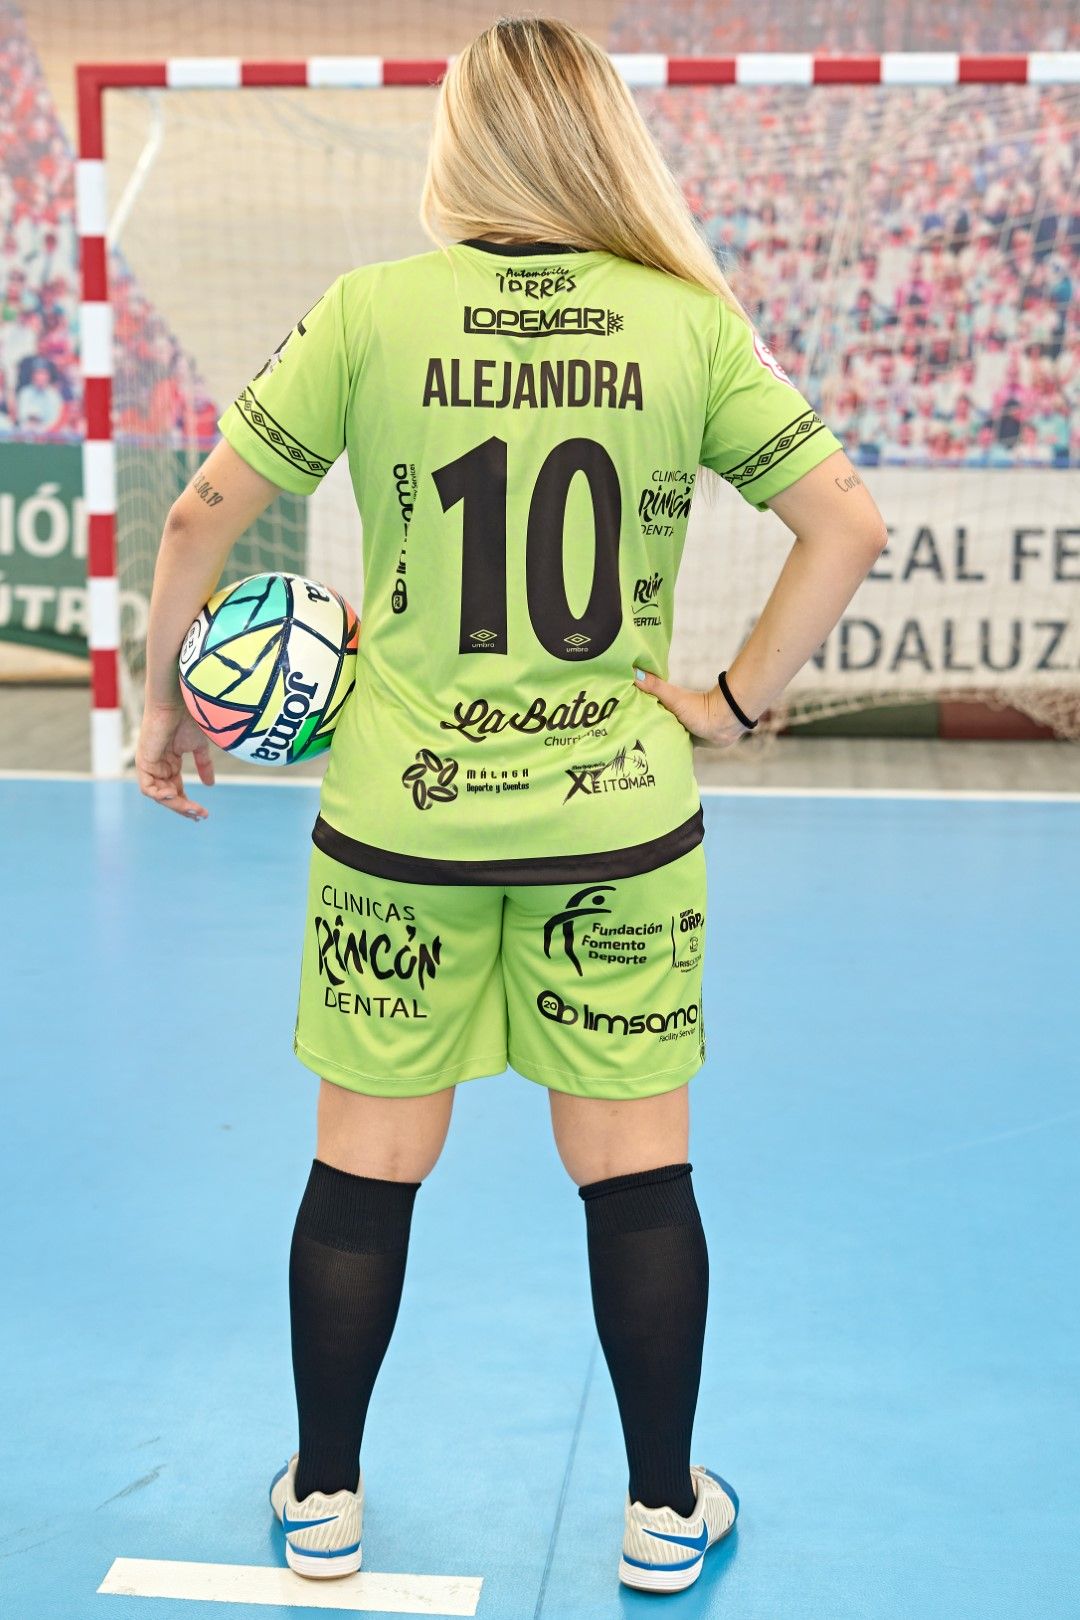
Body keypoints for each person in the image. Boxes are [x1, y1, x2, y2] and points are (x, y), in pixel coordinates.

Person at [136, 16, 887, 1595]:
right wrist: (734, 700)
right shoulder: (685, 325)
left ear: (463, 145)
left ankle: (324, 1500)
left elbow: (205, 508)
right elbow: (844, 522)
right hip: (616, 825)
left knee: (364, 1164)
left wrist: (160, 696)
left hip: (400, 832)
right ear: (601, 140)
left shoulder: (373, 311)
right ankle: (665, 1511)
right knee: (636, 1171)